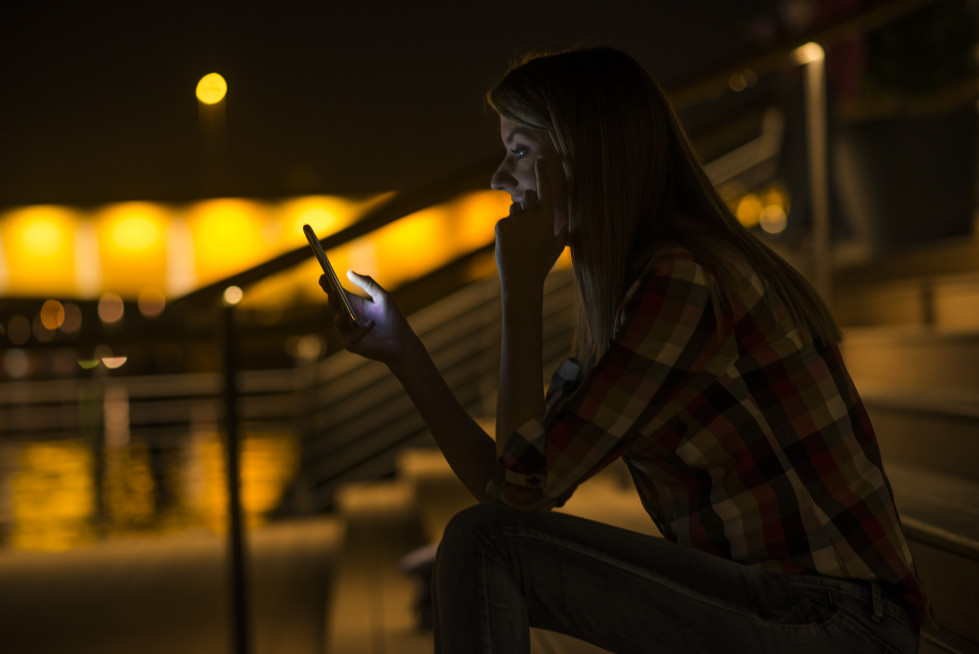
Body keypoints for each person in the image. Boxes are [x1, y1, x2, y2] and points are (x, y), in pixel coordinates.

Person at [320, 46, 923, 654]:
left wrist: (521, 287)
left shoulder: (683, 283)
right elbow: (513, 484)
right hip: (782, 607)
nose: (500, 179)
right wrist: (404, 353)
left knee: (484, 544)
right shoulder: (644, 285)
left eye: (521, 152)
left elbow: (515, 498)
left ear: (587, 158)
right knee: (484, 539)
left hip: (834, 622)